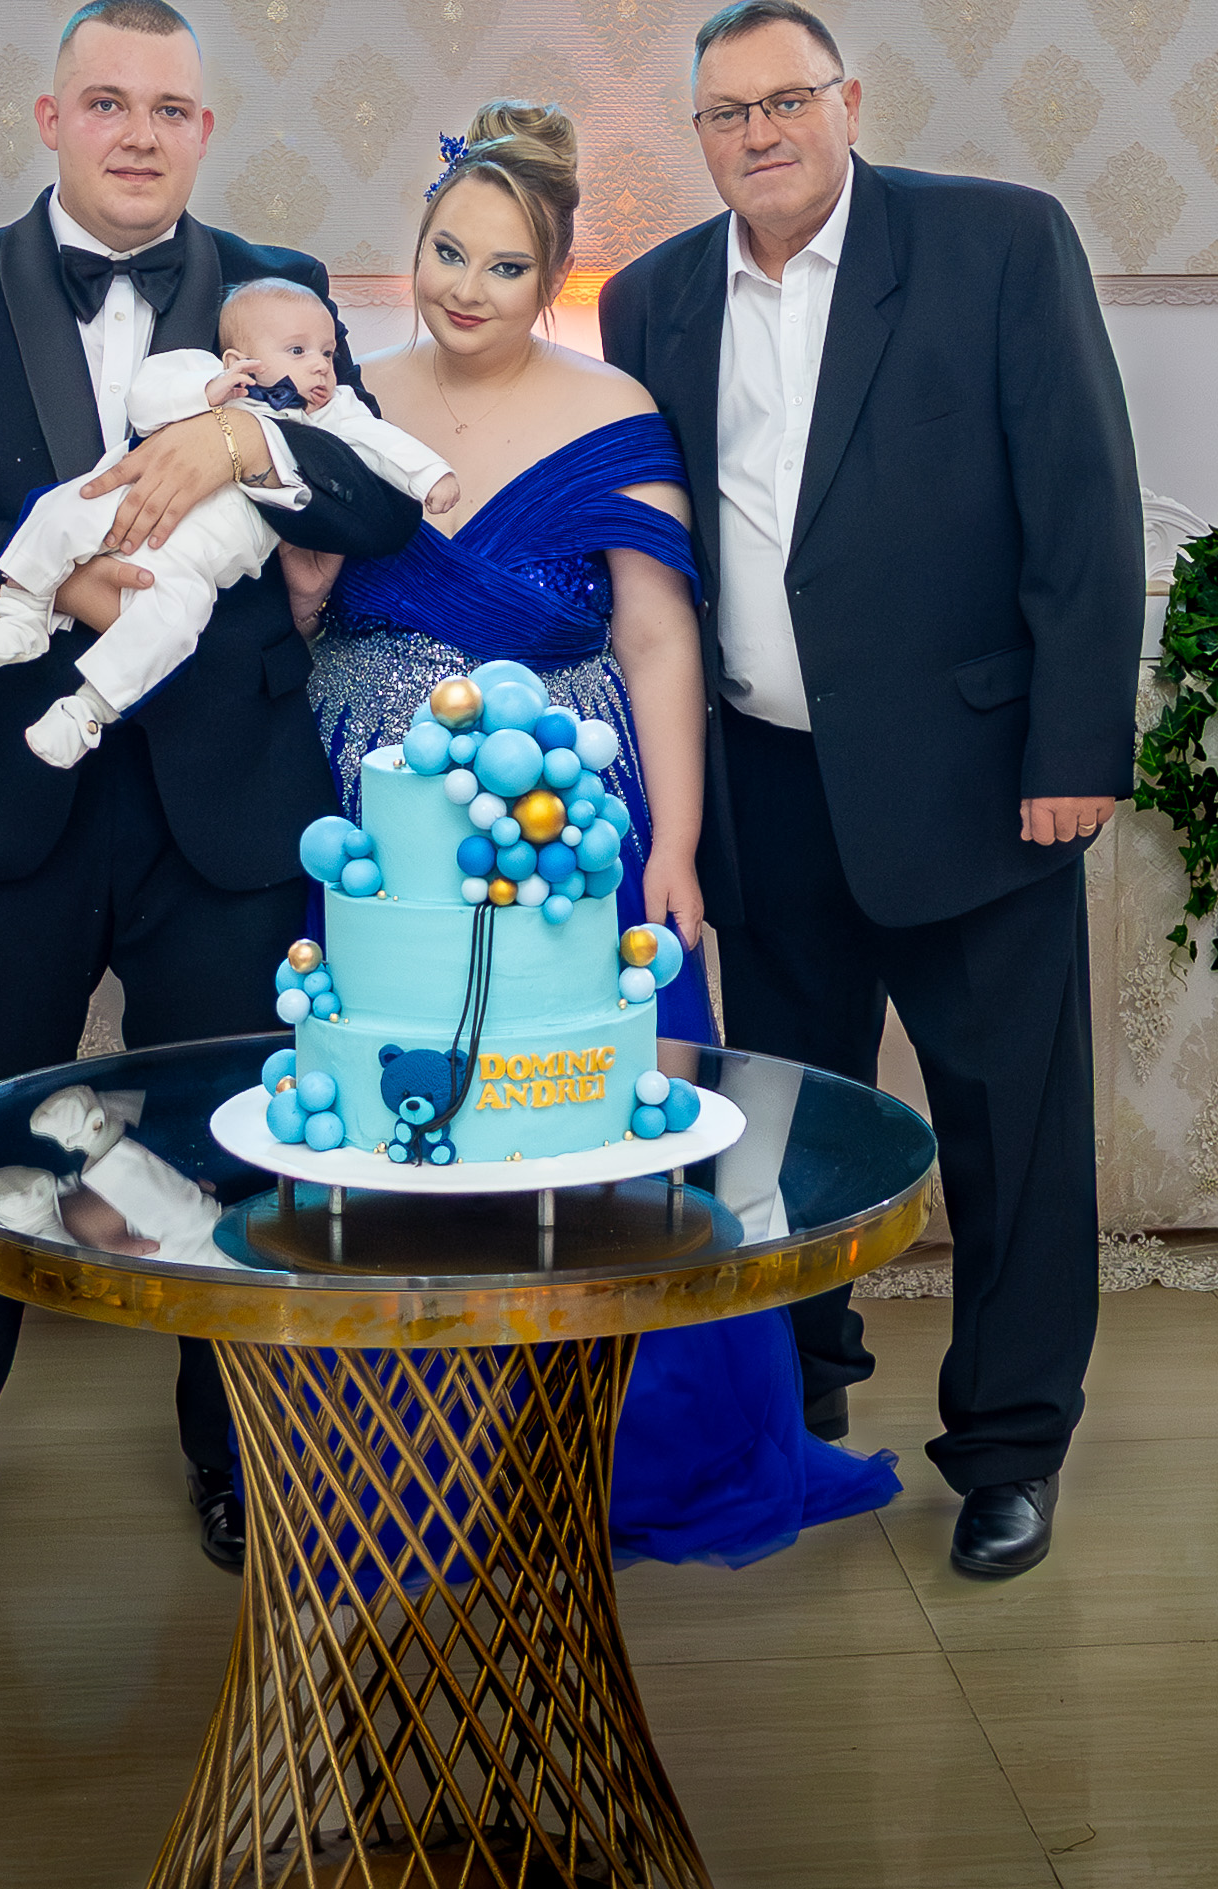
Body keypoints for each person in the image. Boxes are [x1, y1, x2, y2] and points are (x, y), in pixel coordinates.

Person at [0, 0, 426, 1580]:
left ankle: (232, 1454)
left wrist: (246, 452)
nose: (138, 134)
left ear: (204, 131)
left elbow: (377, 503)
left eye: (168, 109)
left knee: (228, 1134)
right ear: (52, 118)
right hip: (2, 788)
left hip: (221, 803)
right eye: (108, 103)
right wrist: (67, 582)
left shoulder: (275, 287)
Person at [300, 99, 898, 1564]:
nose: (467, 288)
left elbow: (657, 639)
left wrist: (674, 846)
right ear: (415, 248)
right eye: (448, 253)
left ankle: (648, 1457)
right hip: (390, 850)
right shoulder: (344, 403)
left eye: (506, 266)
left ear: (550, 275)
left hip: (578, 845)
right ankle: (416, 1466)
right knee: (409, 1146)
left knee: (619, 1145)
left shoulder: (610, 409)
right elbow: (294, 606)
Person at [598, 0, 1142, 1585]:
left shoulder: (997, 246)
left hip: (977, 791)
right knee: (779, 1131)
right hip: (761, 793)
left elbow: (1083, 503)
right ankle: (804, 1399)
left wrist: (1072, 753)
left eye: (787, 100)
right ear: (698, 136)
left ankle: (1011, 1448)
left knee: (1011, 1139)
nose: (759, 133)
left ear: (849, 101)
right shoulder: (648, 299)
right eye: (726, 113)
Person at [0, 277, 458, 766]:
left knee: (172, 626)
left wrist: (430, 475)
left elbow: (380, 445)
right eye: (297, 350)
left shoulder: (332, 413)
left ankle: (85, 712)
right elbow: (146, 396)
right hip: (124, 502)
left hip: (193, 565)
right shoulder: (204, 374)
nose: (320, 365)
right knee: (61, 508)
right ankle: (20, 609)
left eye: (327, 353)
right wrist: (207, 393)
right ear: (235, 359)